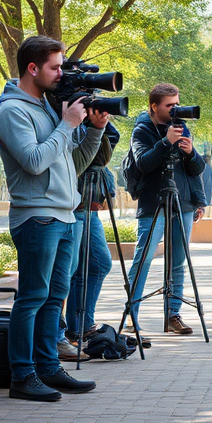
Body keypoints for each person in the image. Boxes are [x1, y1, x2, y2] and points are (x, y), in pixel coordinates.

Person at [0, 36, 107, 401]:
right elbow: (34, 160)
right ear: (33, 68)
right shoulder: (13, 110)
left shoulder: (44, 106)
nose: (62, 74)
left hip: (64, 214)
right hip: (36, 216)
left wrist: (94, 129)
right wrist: (67, 125)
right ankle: (22, 375)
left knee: (56, 294)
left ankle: (47, 368)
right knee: (32, 296)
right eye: (55, 67)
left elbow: (71, 161)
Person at [126, 83, 207, 335]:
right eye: (170, 106)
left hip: (182, 203)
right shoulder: (142, 130)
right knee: (144, 259)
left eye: (177, 104)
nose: (175, 110)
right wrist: (165, 142)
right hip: (154, 203)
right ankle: (131, 314)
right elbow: (143, 164)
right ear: (154, 106)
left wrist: (191, 153)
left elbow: (196, 170)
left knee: (178, 262)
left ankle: (173, 315)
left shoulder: (183, 127)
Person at [62, 122, 120, 357]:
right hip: (72, 199)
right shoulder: (63, 111)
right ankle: (57, 335)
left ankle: (82, 328)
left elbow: (105, 150)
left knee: (99, 263)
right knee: (68, 269)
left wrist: (97, 120)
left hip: (90, 202)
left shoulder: (93, 120)